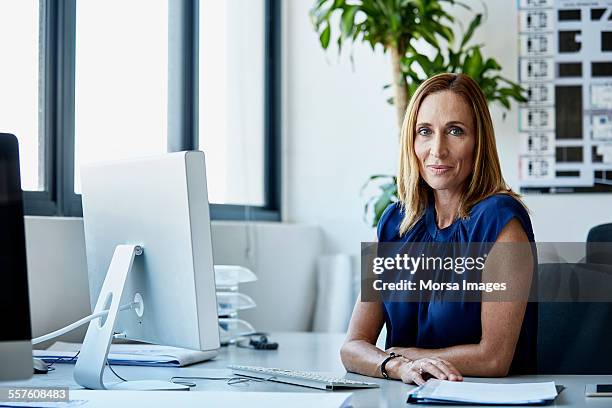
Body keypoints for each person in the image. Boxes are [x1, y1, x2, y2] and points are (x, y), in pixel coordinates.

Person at [341, 73, 537, 385]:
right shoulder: (395, 222)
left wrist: (405, 356)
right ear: (412, 141)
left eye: (455, 131)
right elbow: (352, 347)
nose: (438, 149)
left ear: (479, 141)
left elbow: (494, 358)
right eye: (425, 132)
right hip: (406, 398)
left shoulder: (500, 222)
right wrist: (396, 366)